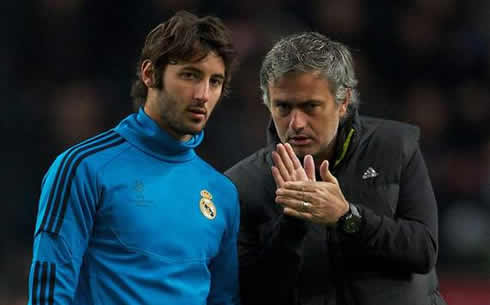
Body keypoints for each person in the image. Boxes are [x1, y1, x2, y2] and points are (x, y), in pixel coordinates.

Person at [27, 11, 240, 305]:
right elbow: (49, 293)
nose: (203, 94)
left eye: (215, 81)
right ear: (149, 74)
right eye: (190, 75)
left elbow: (223, 298)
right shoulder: (83, 168)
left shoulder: (223, 193)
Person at [225, 32, 447, 305]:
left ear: (343, 102)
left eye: (311, 107)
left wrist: (347, 217)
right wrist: (293, 225)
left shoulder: (395, 146)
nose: (296, 123)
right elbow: (254, 294)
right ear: (267, 103)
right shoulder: (242, 183)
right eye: (283, 107)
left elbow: (423, 251)